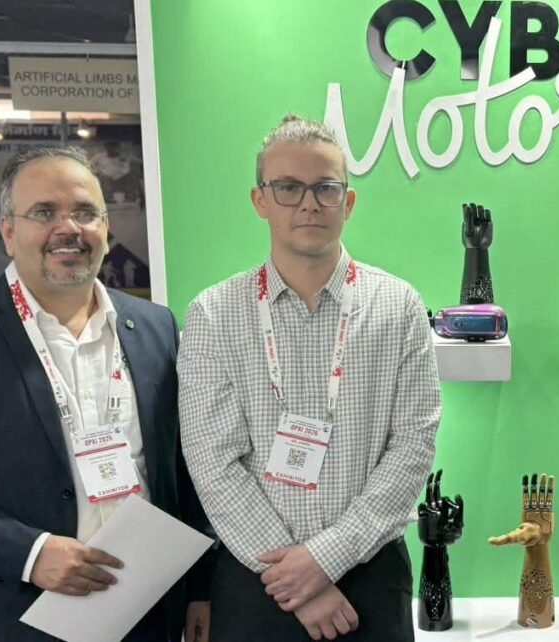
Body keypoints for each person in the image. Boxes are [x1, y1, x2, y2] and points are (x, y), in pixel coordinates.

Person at [0, 147, 213, 641]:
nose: (69, 228)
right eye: (44, 213)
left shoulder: (156, 327)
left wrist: (199, 588)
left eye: (85, 212)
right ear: (8, 231)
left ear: (106, 227)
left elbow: (182, 469)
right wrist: (30, 553)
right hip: (0, 619)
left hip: (143, 616)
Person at [178, 114, 441, 642]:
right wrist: (299, 579)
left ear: (348, 201)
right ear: (260, 200)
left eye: (325, 188)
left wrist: (326, 557)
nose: (308, 204)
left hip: (371, 573)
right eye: (288, 188)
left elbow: (414, 443)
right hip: (258, 577)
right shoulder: (214, 313)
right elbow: (212, 460)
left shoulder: (399, 306)